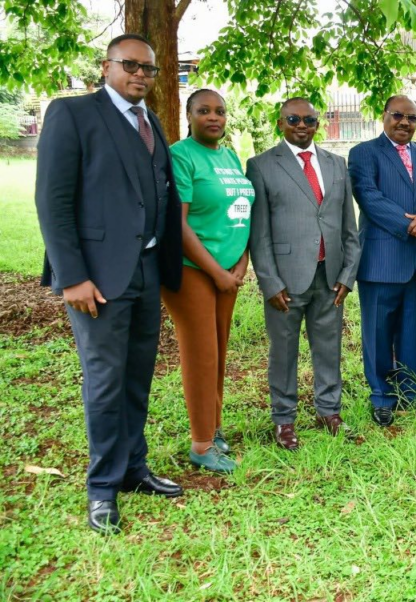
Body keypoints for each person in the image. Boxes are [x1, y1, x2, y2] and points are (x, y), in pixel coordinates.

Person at [35, 34, 184, 535]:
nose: (141, 74)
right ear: (107, 66)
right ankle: (102, 487)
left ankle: (133, 469)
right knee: (104, 381)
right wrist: (71, 276)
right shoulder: (72, 115)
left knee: (138, 374)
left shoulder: (152, 122)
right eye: (130, 64)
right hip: (95, 277)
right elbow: (53, 203)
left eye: (149, 68)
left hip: (144, 272)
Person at [247, 98, 361, 450]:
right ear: (280, 123)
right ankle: (284, 419)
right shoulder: (262, 165)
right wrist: (269, 281)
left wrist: (347, 274)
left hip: (330, 277)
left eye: (309, 119)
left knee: (329, 347)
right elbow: (259, 232)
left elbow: (349, 228)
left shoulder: (336, 164)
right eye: (293, 119)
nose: (302, 125)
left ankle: (329, 410)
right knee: (283, 351)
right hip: (285, 279)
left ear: (317, 123)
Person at [347, 95, 416, 428]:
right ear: (384, 116)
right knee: (378, 332)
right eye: (398, 115)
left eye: (411, 118)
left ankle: (409, 391)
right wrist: (411, 224)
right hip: (381, 258)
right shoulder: (364, 153)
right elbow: (368, 197)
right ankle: (381, 396)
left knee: (413, 329)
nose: (404, 122)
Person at [161, 89, 252, 473]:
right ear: (189, 115)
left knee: (217, 352)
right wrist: (216, 272)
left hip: (228, 272)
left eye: (219, 111)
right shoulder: (181, 156)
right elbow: (177, 224)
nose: (213, 117)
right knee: (201, 354)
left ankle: (213, 429)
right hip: (192, 270)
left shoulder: (228, 156)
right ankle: (201, 444)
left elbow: (243, 212)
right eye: (203, 111)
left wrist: (241, 261)